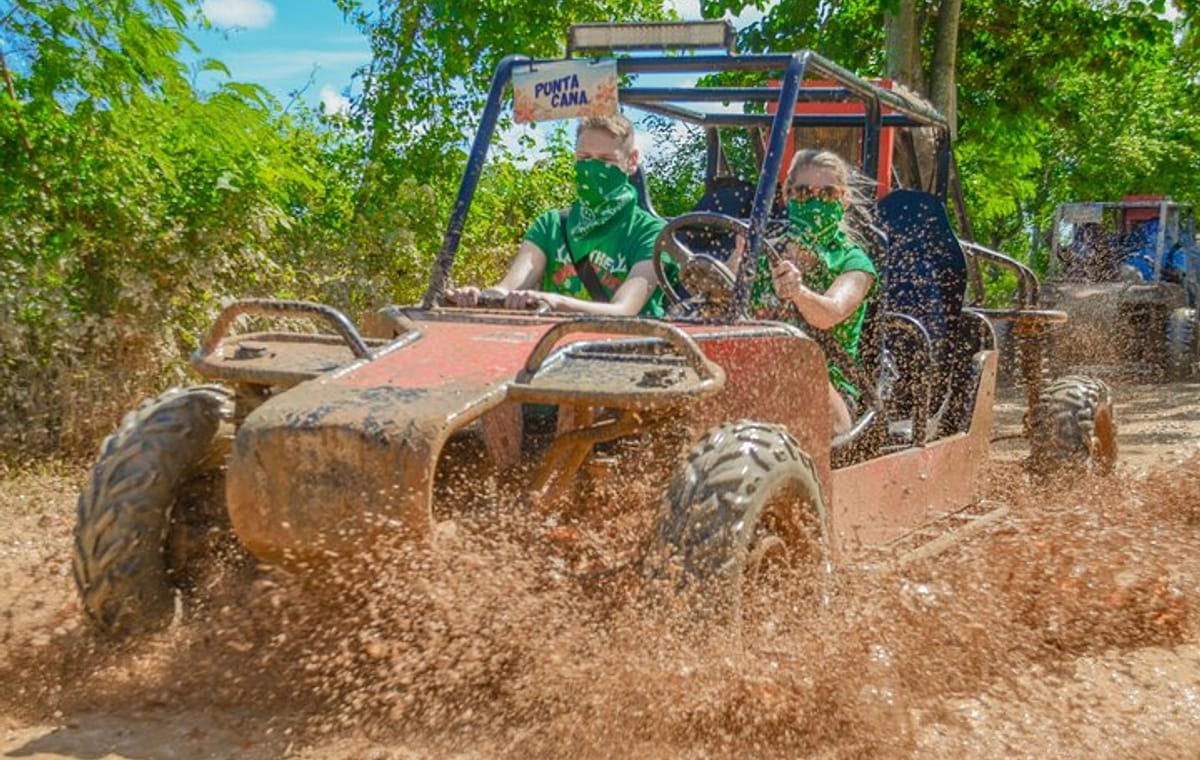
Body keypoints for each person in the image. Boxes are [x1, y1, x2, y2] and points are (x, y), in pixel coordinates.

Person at [444, 114, 669, 316]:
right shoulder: (551, 225)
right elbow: (509, 287)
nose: (593, 169)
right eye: (584, 158)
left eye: (605, 160)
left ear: (631, 161)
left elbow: (624, 309)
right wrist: (477, 297)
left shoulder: (652, 233)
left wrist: (555, 302)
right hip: (553, 350)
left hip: (629, 353)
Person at [749, 149, 878, 435]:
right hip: (756, 376)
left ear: (844, 199)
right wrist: (730, 271)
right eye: (805, 192)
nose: (816, 202)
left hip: (828, 392)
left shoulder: (853, 261)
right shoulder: (762, 252)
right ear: (787, 194)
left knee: (795, 363)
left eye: (828, 193)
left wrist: (799, 292)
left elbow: (828, 314)